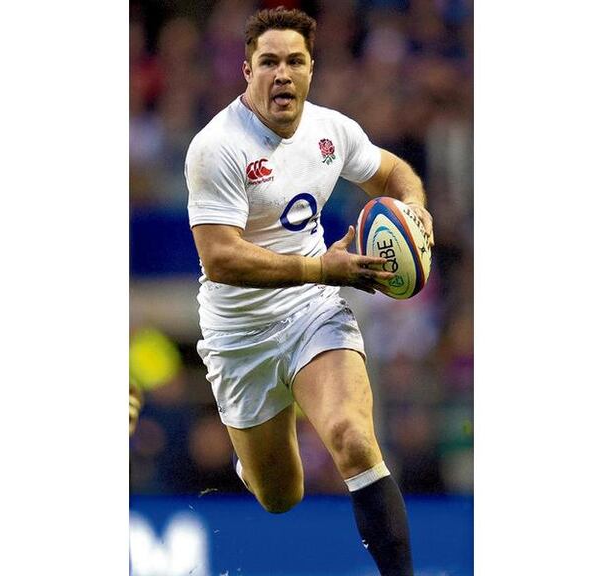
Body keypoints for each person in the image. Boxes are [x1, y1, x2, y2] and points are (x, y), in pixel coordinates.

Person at [185, 7, 433, 575]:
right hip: (238, 332)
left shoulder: (332, 131)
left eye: (294, 61)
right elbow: (220, 258)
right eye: (268, 62)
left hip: (312, 310)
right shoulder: (216, 146)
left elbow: (397, 174)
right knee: (281, 496)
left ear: (311, 69)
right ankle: (256, 454)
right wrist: (325, 269)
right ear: (246, 70)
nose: (282, 74)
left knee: (352, 438)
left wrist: (417, 214)